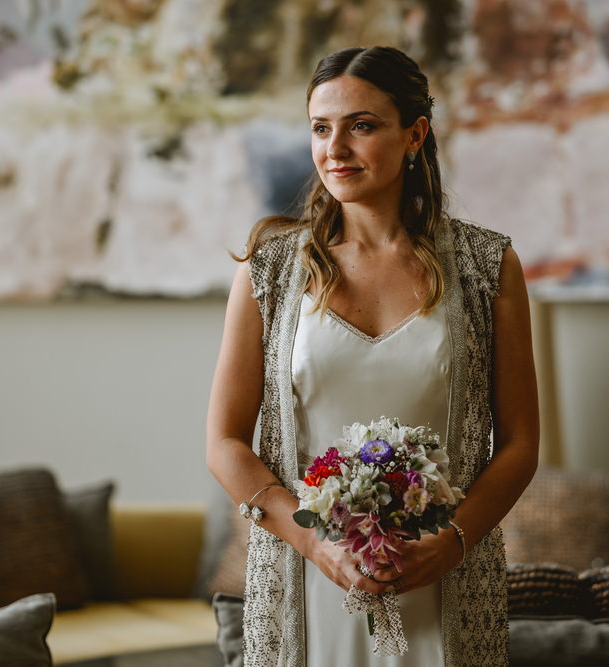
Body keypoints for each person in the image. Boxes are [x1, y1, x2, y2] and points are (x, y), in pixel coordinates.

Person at [206, 46, 539, 667]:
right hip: (306, 579)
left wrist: (454, 541)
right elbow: (224, 443)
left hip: (443, 577)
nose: (335, 148)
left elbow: (520, 442)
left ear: (415, 135)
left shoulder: (488, 267)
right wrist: (315, 543)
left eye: (361, 126)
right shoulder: (271, 271)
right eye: (320, 128)